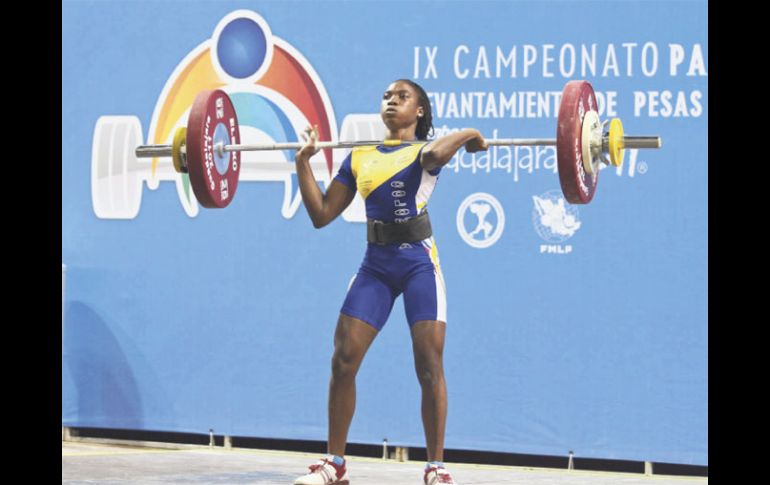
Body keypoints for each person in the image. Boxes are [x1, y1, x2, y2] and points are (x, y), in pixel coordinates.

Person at [292, 79, 488, 485]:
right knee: (343, 359)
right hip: (376, 266)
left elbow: (437, 152)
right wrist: (303, 162)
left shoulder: (424, 152)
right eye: (386, 96)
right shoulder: (360, 156)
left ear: (419, 110)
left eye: (402, 97)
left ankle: (435, 467)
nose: (391, 101)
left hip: (418, 265)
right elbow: (321, 214)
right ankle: (334, 464)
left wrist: (470, 133)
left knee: (429, 365)